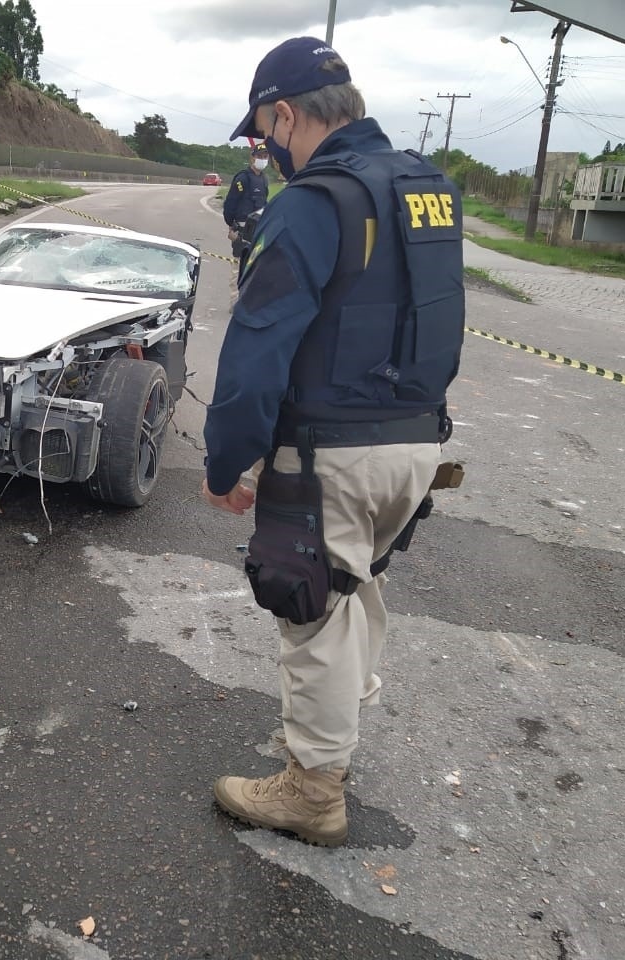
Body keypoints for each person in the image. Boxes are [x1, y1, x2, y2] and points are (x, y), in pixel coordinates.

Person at [201, 36, 464, 847]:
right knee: (349, 587)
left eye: (261, 134)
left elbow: (257, 354)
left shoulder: (314, 202)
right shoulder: (429, 190)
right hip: (417, 445)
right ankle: (337, 729)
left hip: (332, 455)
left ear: (285, 115)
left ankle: (313, 791)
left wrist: (225, 461)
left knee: (305, 603)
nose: (264, 152)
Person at [223, 141, 271, 260]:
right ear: (252, 158)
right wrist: (231, 225)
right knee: (238, 268)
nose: (262, 159)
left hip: (258, 229)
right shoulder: (242, 178)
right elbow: (230, 204)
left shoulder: (264, 179)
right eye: (259, 156)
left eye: (265, 157)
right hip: (242, 230)